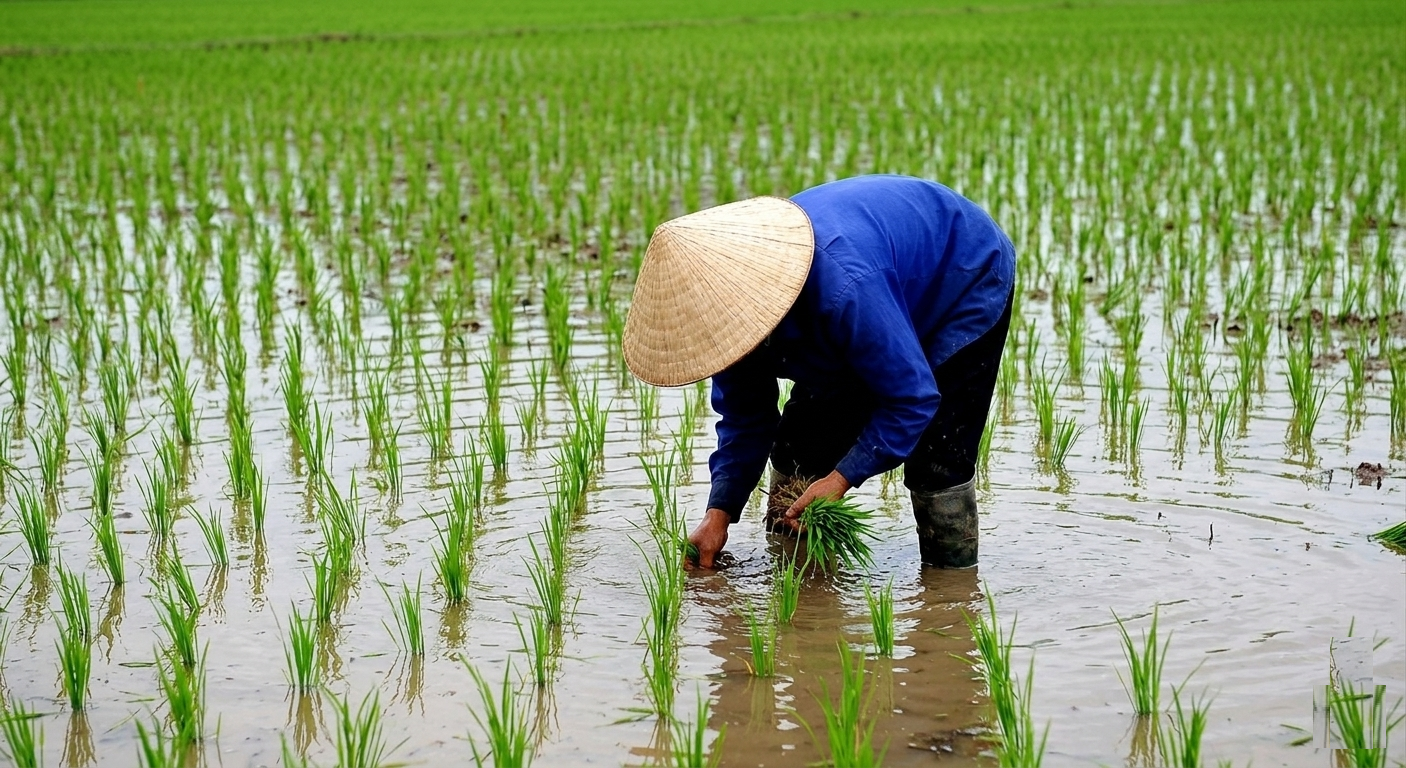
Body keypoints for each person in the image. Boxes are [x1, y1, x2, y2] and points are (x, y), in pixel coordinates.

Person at [622, 174, 1015, 569]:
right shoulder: (727, 314)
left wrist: (841, 479)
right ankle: (801, 586)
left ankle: (949, 590)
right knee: (800, 448)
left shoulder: (843, 288)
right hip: (869, 285)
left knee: (937, 460)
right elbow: (746, 419)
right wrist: (718, 513)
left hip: (964, 272)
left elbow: (912, 399)